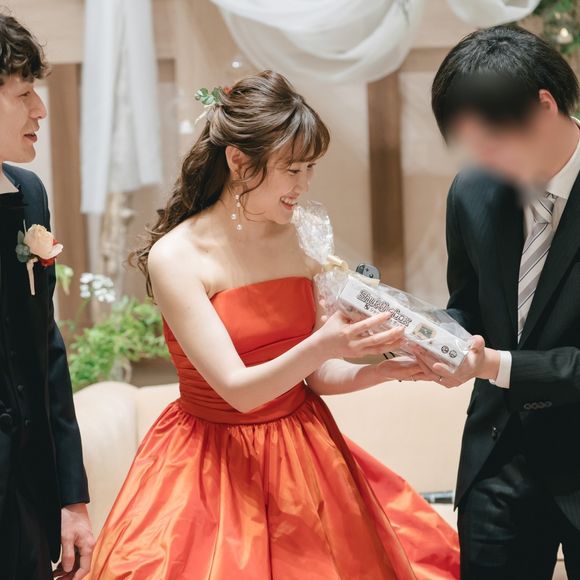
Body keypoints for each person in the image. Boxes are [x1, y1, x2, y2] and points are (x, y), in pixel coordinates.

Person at [88, 70, 460, 579]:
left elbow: (318, 377)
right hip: (210, 462)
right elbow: (239, 390)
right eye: (292, 169)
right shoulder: (177, 256)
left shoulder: (300, 238)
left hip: (305, 453)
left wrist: (382, 370)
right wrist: (327, 342)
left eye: (311, 168)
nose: (304, 185)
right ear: (239, 162)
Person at [421, 24, 580, 580]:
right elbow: (469, 305)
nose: (481, 160)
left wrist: (493, 364)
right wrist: (427, 334)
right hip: (498, 457)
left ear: (544, 107)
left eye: (491, 142)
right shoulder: (473, 191)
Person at [0, 11, 94, 580]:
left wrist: (70, 496)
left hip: (30, 492)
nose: (39, 109)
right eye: (23, 93)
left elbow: (47, 349)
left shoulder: (29, 194)